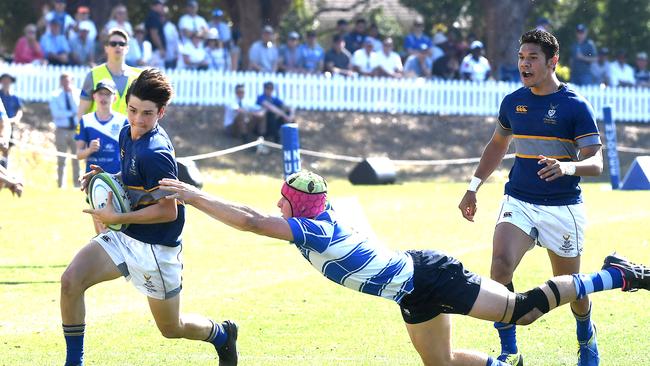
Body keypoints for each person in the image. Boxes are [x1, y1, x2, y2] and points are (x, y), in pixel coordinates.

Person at [159, 170, 650, 366]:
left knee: (521, 311)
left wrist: (194, 195)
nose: (277, 209)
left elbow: (249, 221)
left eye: (283, 203)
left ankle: (616, 274)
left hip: (432, 274)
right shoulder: (322, 214)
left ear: (292, 208)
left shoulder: (311, 229)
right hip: (411, 289)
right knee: (440, 363)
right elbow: (263, 215)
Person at [60, 68, 238, 366]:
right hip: (124, 234)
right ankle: (73, 362)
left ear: (161, 113)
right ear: (126, 103)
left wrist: (118, 214)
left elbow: (169, 210)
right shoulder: (125, 133)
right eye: (132, 110)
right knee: (70, 281)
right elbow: (134, 180)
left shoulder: (155, 153)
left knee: (172, 328)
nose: (138, 120)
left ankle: (221, 334)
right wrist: (105, 178)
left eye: (147, 114)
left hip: (156, 249)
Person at [458, 29, 604, 366]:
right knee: (499, 267)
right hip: (519, 200)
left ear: (553, 61)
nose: (524, 64)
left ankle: (586, 335)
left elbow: (596, 161)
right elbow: (497, 145)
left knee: (572, 290)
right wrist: (473, 186)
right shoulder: (513, 102)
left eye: (532, 58)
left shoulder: (575, 106)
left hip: (562, 208)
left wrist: (566, 168)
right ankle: (510, 351)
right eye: (521, 57)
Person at [75, 79, 127, 233]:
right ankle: (103, 253)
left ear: (115, 98)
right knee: (100, 228)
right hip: (94, 180)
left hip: (117, 179)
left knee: (120, 226)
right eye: (100, 94)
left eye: (108, 94)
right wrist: (89, 150)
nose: (104, 97)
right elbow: (78, 154)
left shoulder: (123, 121)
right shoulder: (86, 121)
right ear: (94, 97)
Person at [77, 28, 141, 122]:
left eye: (122, 44)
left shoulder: (138, 76)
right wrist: (81, 135)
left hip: (128, 135)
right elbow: (82, 112)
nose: (118, 46)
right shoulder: (93, 75)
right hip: (99, 134)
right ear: (106, 48)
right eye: (113, 44)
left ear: (127, 48)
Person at [49, 72, 81, 188]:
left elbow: (79, 110)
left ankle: (77, 184)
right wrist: (71, 113)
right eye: (64, 81)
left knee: (76, 157)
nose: (66, 83)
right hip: (61, 130)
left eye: (68, 81)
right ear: (61, 82)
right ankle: (60, 184)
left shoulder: (77, 93)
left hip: (75, 130)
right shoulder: (55, 95)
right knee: (61, 158)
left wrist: (71, 96)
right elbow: (56, 114)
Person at [0, 73, 23, 168]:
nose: (6, 82)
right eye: (4, 80)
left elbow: (19, 110)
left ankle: (5, 166)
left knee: (7, 146)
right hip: (0, 124)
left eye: (8, 80)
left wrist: (15, 119)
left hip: (10, 124)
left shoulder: (14, 97)